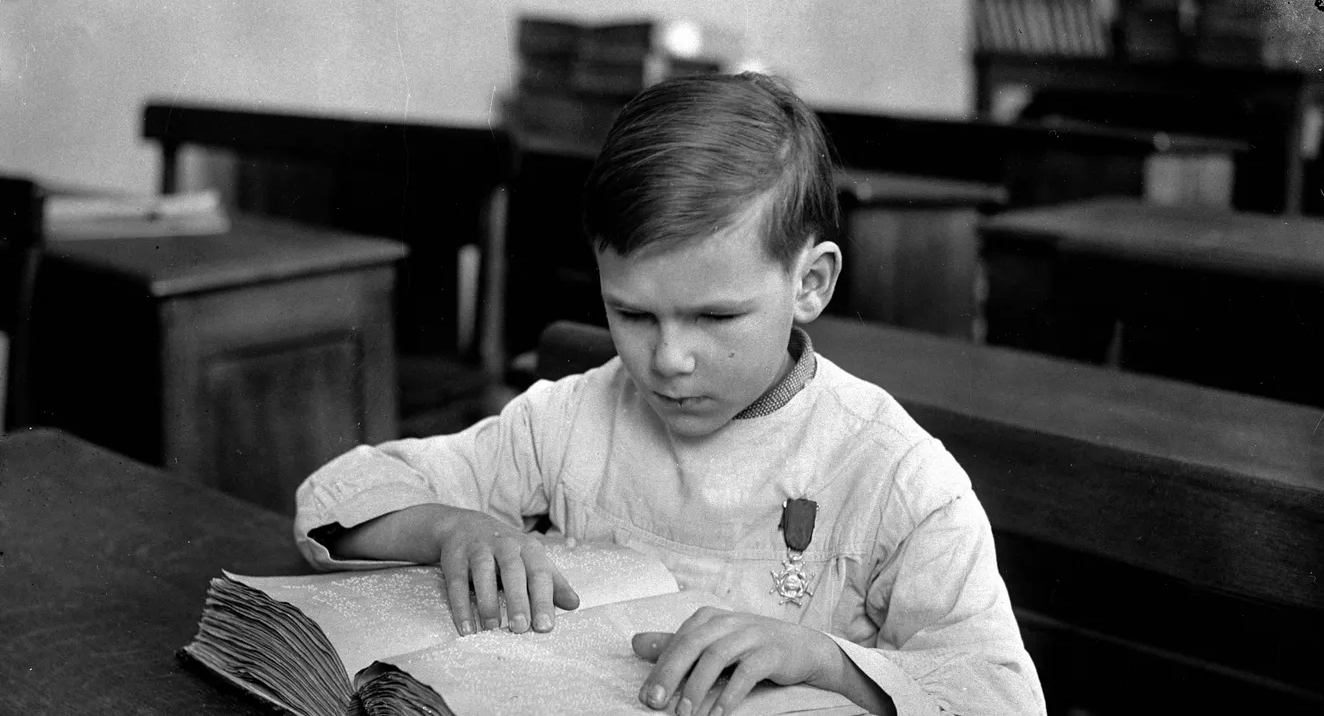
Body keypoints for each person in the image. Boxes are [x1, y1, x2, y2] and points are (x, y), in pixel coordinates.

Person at [294, 72, 1045, 716]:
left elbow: (1002, 695)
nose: (668, 360)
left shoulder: (895, 475)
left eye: (715, 316)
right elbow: (336, 497)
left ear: (809, 283)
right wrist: (451, 528)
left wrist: (829, 661)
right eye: (631, 313)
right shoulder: (569, 418)